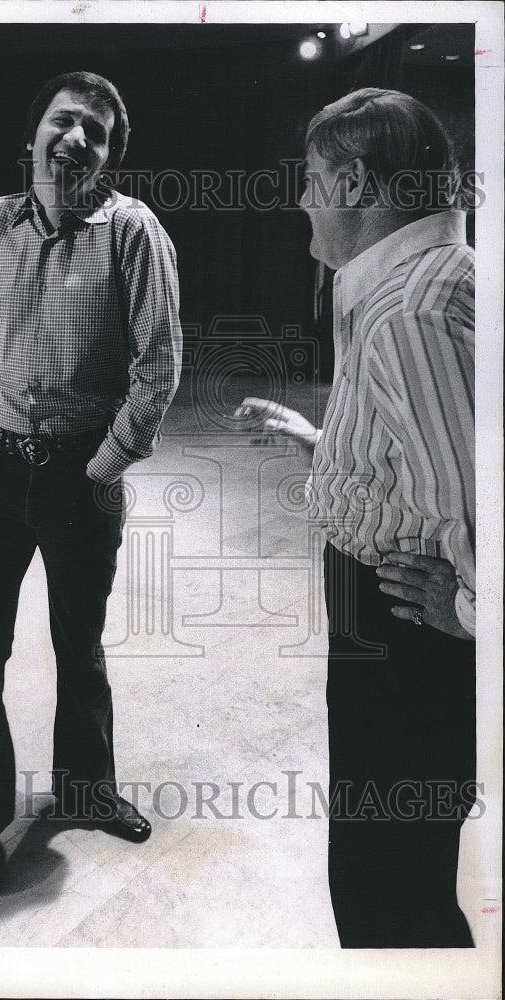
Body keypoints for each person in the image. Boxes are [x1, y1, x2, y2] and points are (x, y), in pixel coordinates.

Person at [0, 71, 182, 894]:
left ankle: (87, 791)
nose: (75, 138)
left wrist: (102, 468)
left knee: (80, 648)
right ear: (34, 134)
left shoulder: (133, 234)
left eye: (95, 133)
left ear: (108, 158)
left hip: (85, 478)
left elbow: (159, 368)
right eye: (62, 121)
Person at [237, 89, 476, 948]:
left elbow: (473, 503)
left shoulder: (407, 312)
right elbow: (427, 448)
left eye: (309, 181)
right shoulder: (433, 279)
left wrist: (469, 606)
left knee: (383, 888)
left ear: (355, 185)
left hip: (404, 630)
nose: (301, 199)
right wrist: (324, 441)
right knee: (395, 866)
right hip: (401, 620)